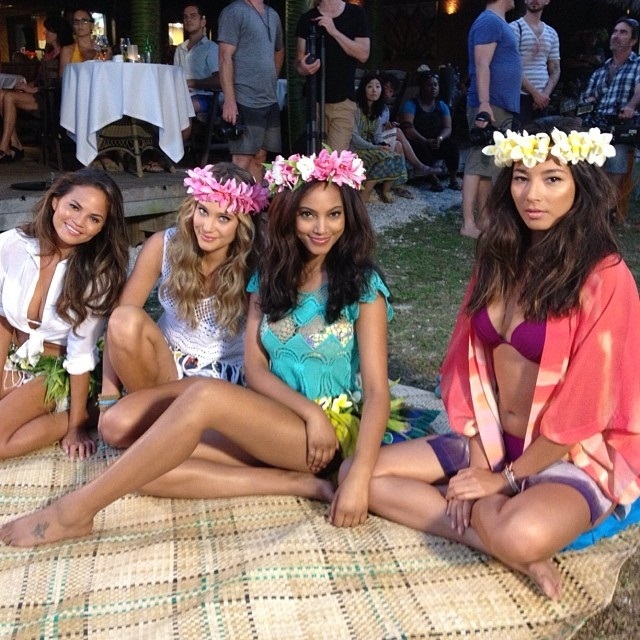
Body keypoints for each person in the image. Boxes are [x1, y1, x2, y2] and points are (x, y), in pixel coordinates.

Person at [0, 148, 398, 547]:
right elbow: (257, 370)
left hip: (324, 431)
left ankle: (75, 511)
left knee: (201, 399)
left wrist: (357, 473)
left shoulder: (362, 287)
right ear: (290, 216)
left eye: (334, 215)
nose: (320, 227)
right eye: (307, 214)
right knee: (147, 464)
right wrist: (108, 394)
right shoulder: (271, 277)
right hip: (270, 415)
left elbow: (377, 391)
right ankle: (298, 484)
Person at [361, 120, 640, 600]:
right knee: (362, 476)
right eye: (521, 177)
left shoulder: (605, 276)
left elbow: (586, 407)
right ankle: (498, 541)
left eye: (553, 179)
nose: (533, 194)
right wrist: (478, 464)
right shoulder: (498, 257)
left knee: (520, 533)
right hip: (490, 440)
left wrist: (503, 480)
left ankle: (504, 535)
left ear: (581, 185)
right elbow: (465, 367)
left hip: (563, 452)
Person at [98, 162, 267, 447]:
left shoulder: (258, 263)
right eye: (203, 211)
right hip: (166, 369)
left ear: (243, 225)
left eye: (223, 218)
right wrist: (108, 398)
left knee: (125, 430)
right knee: (123, 322)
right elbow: (115, 329)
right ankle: (177, 434)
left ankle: (172, 436)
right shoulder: (163, 245)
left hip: (224, 381)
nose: (208, 227)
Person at [0, 168, 130, 461]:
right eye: (74, 206)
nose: (79, 222)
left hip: (58, 370)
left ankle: (86, 411)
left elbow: (80, 352)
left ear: (102, 227)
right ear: (55, 201)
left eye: (94, 219)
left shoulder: (98, 275)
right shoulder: (11, 245)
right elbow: (2, 318)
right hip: (14, 355)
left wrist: (76, 427)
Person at [461, 0, 521, 238]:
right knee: (476, 160)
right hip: (489, 103)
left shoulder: (497, 22)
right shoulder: (488, 21)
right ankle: (468, 223)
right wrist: (485, 104)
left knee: (488, 164)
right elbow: (481, 63)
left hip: (499, 104)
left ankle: (484, 220)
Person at [218, 0, 284, 183]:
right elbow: (224, 56)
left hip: (268, 99)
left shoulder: (273, 15)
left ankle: (255, 201)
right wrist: (229, 100)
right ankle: (234, 201)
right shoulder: (235, 11)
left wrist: (271, 78)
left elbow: (279, 49)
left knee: (260, 157)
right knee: (241, 160)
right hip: (244, 98)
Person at [295, 0, 370, 152]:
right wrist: (302, 67)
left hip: (343, 100)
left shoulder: (355, 13)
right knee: (314, 157)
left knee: (335, 157)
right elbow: (298, 61)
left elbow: (363, 54)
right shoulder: (308, 18)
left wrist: (334, 31)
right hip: (314, 101)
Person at [0, 17, 74, 163]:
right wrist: (26, 86)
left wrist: (33, 90)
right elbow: (40, 79)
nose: (45, 33)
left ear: (57, 33)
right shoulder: (49, 53)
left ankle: (4, 147)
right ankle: (15, 144)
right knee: (1, 94)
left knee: (9, 97)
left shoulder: (66, 53)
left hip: (50, 98)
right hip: (39, 93)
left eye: (48, 31)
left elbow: (60, 82)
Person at [581, 17, 640, 197]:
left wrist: (630, 106)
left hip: (621, 127)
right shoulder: (601, 70)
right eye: (615, 31)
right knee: (581, 160)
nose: (616, 35)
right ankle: (588, 203)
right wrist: (588, 102)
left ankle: (608, 207)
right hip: (597, 126)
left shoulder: (637, 65)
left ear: (633, 41)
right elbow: (585, 100)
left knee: (616, 159)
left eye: (623, 32)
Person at [351, 73, 415, 204]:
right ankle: (366, 194)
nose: (374, 90)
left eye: (377, 87)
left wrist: (382, 144)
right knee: (381, 157)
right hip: (356, 147)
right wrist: (375, 147)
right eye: (370, 86)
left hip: (370, 146)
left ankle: (386, 190)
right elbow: (354, 137)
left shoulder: (377, 110)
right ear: (363, 89)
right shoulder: (356, 108)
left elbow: (377, 134)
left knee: (393, 156)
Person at [398, 70, 462, 192]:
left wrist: (440, 139)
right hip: (419, 140)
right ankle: (433, 179)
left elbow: (447, 127)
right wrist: (425, 140)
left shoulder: (441, 105)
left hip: (436, 141)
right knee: (418, 145)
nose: (433, 88)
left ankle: (453, 179)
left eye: (435, 85)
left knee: (452, 145)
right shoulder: (411, 104)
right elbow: (408, 128)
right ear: (422, 87)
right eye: (429, 85)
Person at [173, 4, 220, 145]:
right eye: (185, 17)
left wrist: (193, 83)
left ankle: (174, 151)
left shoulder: (211, 48)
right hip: (182, 95)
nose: (188, 20)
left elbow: (219, 80)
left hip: (208, 97)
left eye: (193, 16)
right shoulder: (180, 49)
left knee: (184, 105)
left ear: (203, 21)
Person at [510, 0, 561, 125]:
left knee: (541, 134)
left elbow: (555, 68)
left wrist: (545, 94)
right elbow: (512, 66)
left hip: (543, 99)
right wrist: (535, 94)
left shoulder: (551, 33)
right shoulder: (514, 28)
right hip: (519, 96)